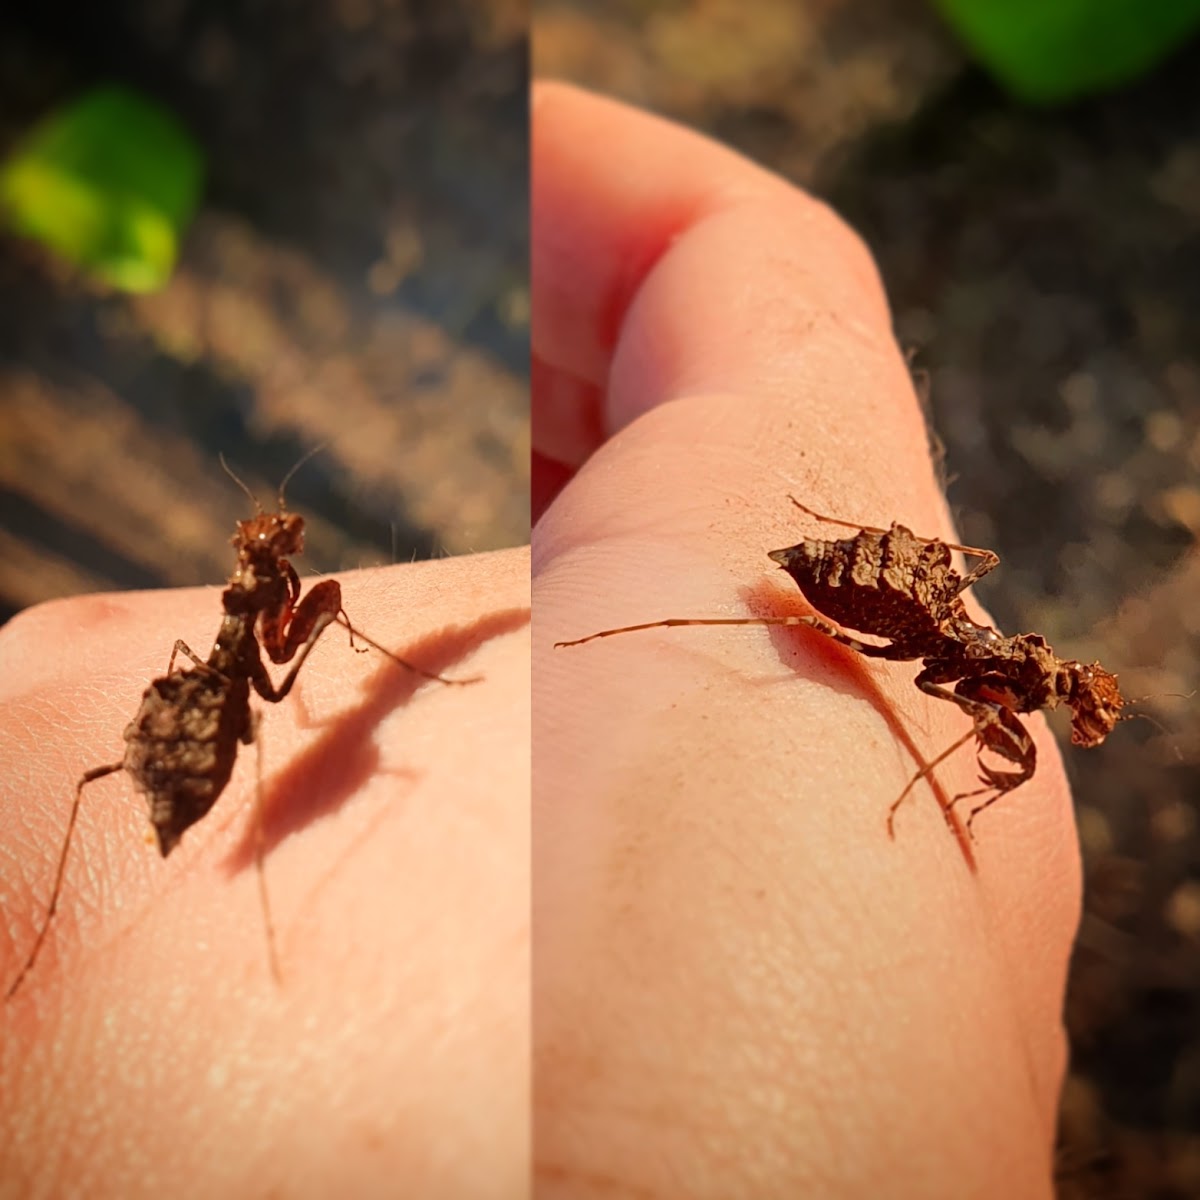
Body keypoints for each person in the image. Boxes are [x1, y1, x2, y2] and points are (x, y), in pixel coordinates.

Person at [533, 82, 1078, 1198]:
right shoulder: (978, 664)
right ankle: (668, 614)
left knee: (949, 587)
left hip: (883, 593)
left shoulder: (993, 671)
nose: (1045, 712)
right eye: (1058, 699)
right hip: (861, 590)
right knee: (943, 585)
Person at [0, 551, 530, 1196]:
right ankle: (257, 911)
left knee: (110, 765)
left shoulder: (221, 639)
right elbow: (276, 679)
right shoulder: (242, 657)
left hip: (182, 739)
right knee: (267, 697)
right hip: (199, 755)